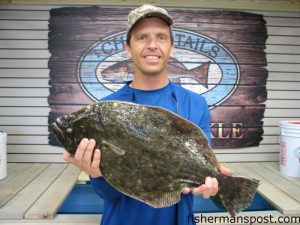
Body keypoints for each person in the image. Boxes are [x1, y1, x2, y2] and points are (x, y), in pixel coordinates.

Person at [63, 4, 229, 225]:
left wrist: (213, 186)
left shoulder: (195, 104)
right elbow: (108, 194)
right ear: (128, 48)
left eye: (161, 37)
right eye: (142, 37)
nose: (152, 45)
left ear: (171, 48)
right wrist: (96, 174)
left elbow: (197, 177)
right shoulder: (105, 109)